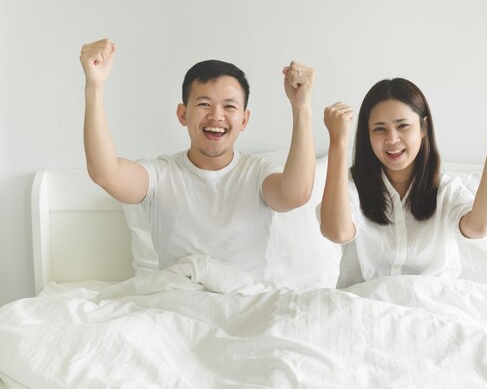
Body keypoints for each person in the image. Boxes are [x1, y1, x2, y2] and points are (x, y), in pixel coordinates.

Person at [80, 38, 316, 277]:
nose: (216, 116)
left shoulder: (257, 173)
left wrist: (301, 107)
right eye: (204, 104)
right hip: (177, 301)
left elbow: (295, 194)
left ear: (244, 120)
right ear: (183, 114)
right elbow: (106, 173)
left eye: (229, 107)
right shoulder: (160, 174)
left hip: (243, 305)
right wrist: (94, 86)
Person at [319, 78, 487, 288]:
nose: (392, 139)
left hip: (433, 307)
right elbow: (337, 232)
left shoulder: (445, 190)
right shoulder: (351, 187)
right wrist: (337, 142)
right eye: (379, 129)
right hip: (366, 309)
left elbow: (480, 226)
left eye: (403, 126)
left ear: (423, 128)